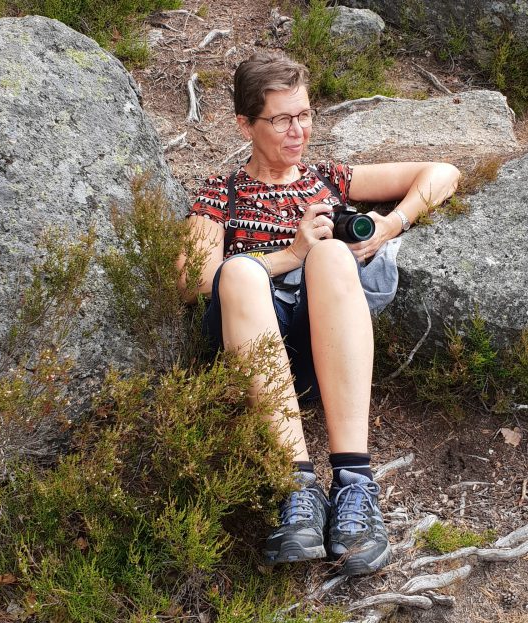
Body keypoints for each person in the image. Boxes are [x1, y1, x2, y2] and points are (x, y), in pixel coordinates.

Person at [177, 51, 460, 576]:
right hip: (252, 354)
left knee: (332, 255)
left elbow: (443, 173)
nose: (298, 131)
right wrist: (290, 254)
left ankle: (354, 485)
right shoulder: (222, 195)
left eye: (304, 115)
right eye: (281, 119)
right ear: (245, 125)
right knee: (239, 273)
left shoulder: (326, 180)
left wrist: (388, 225)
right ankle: (296, 488)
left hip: (320, 356)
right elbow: (192, 280)